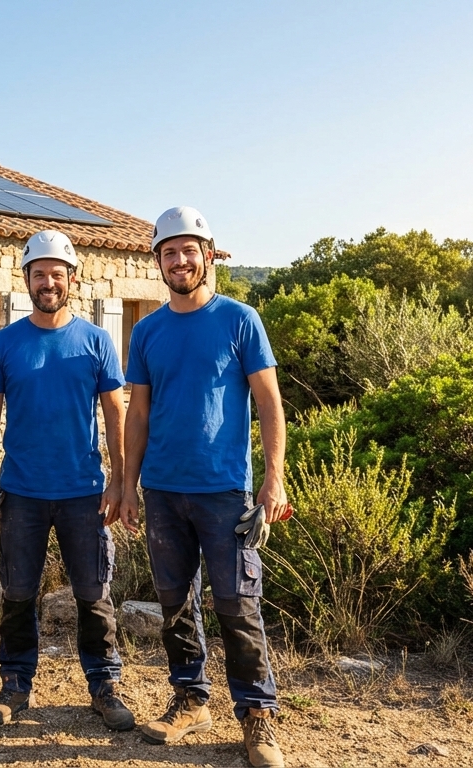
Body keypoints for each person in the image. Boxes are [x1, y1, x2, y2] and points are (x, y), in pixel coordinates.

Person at [118, 207, 289, 768]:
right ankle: (191, 698)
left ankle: (257, 717)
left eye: (190, 249)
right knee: (173, 603)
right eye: (170, 251)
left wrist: (273, 481)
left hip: (226, 492)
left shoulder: (241, 320)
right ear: (158, 262)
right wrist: (126, 483)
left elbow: (268, 402)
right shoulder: (146, 331)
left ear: (208, 255)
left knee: (238, 605)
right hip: (163, 491)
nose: (180, 259)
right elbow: (137, 414)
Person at [0, 230, 135, 730]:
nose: (48, 282)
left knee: (93, 593)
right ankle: (15, 685)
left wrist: (120, 481)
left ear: (72, 280)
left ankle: (105, 686)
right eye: (38, 273)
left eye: (56, 274)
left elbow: (114, 414)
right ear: (26, 280)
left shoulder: (96, 341)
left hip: (84, 493)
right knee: (18, 593)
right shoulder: (4, 343)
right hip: (21, 491)